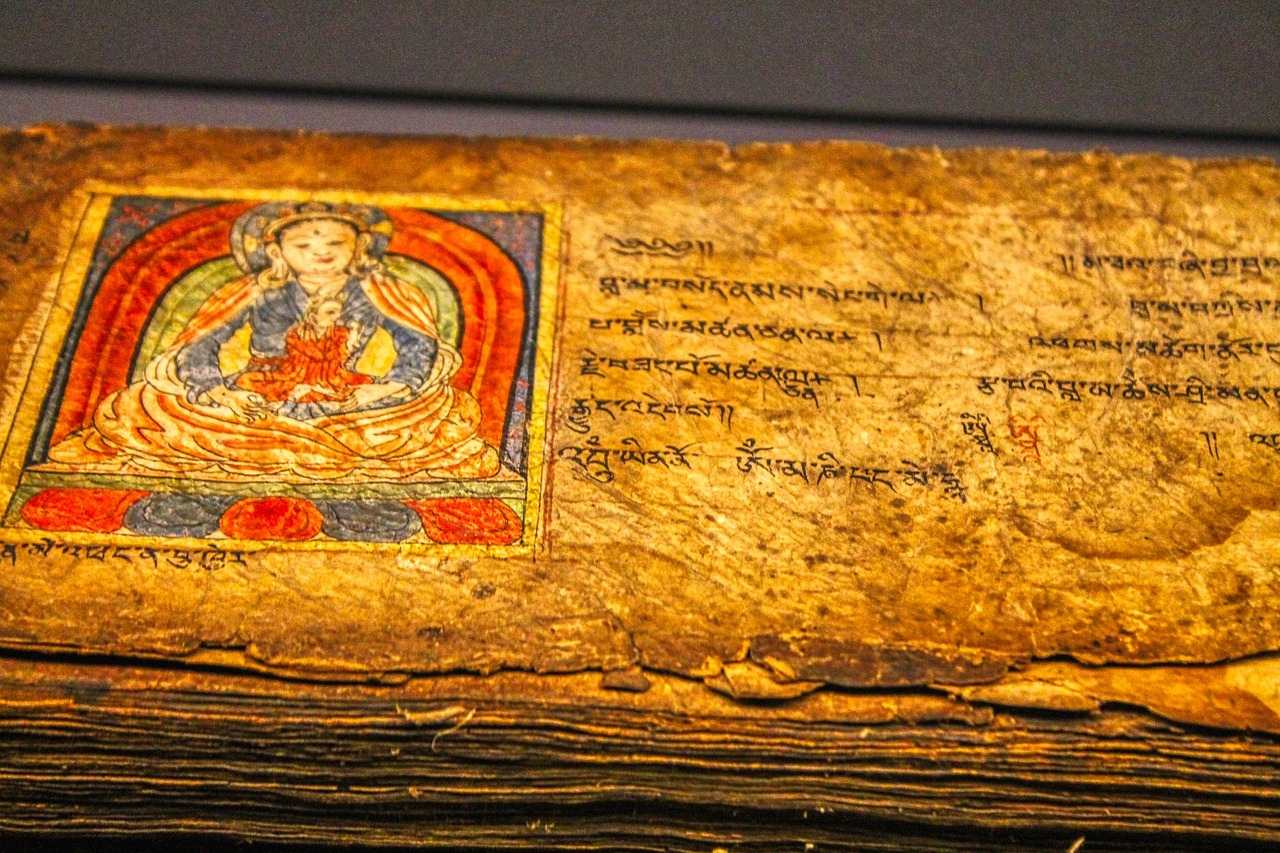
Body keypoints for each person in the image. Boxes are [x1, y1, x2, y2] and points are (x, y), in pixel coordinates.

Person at [44, 201, 500, 481]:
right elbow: (201, 345)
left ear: (359, 249)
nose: (320, 254)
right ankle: (300, 443)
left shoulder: (382, 293)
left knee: (439, 410)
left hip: (348, 393)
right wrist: (222, 394)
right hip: (263, 388)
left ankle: (310, 443)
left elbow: (417, 347)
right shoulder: (256, 291)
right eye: (304, 246)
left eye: (334, 245)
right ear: (277, 252)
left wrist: (385, 390)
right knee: (149, 403)